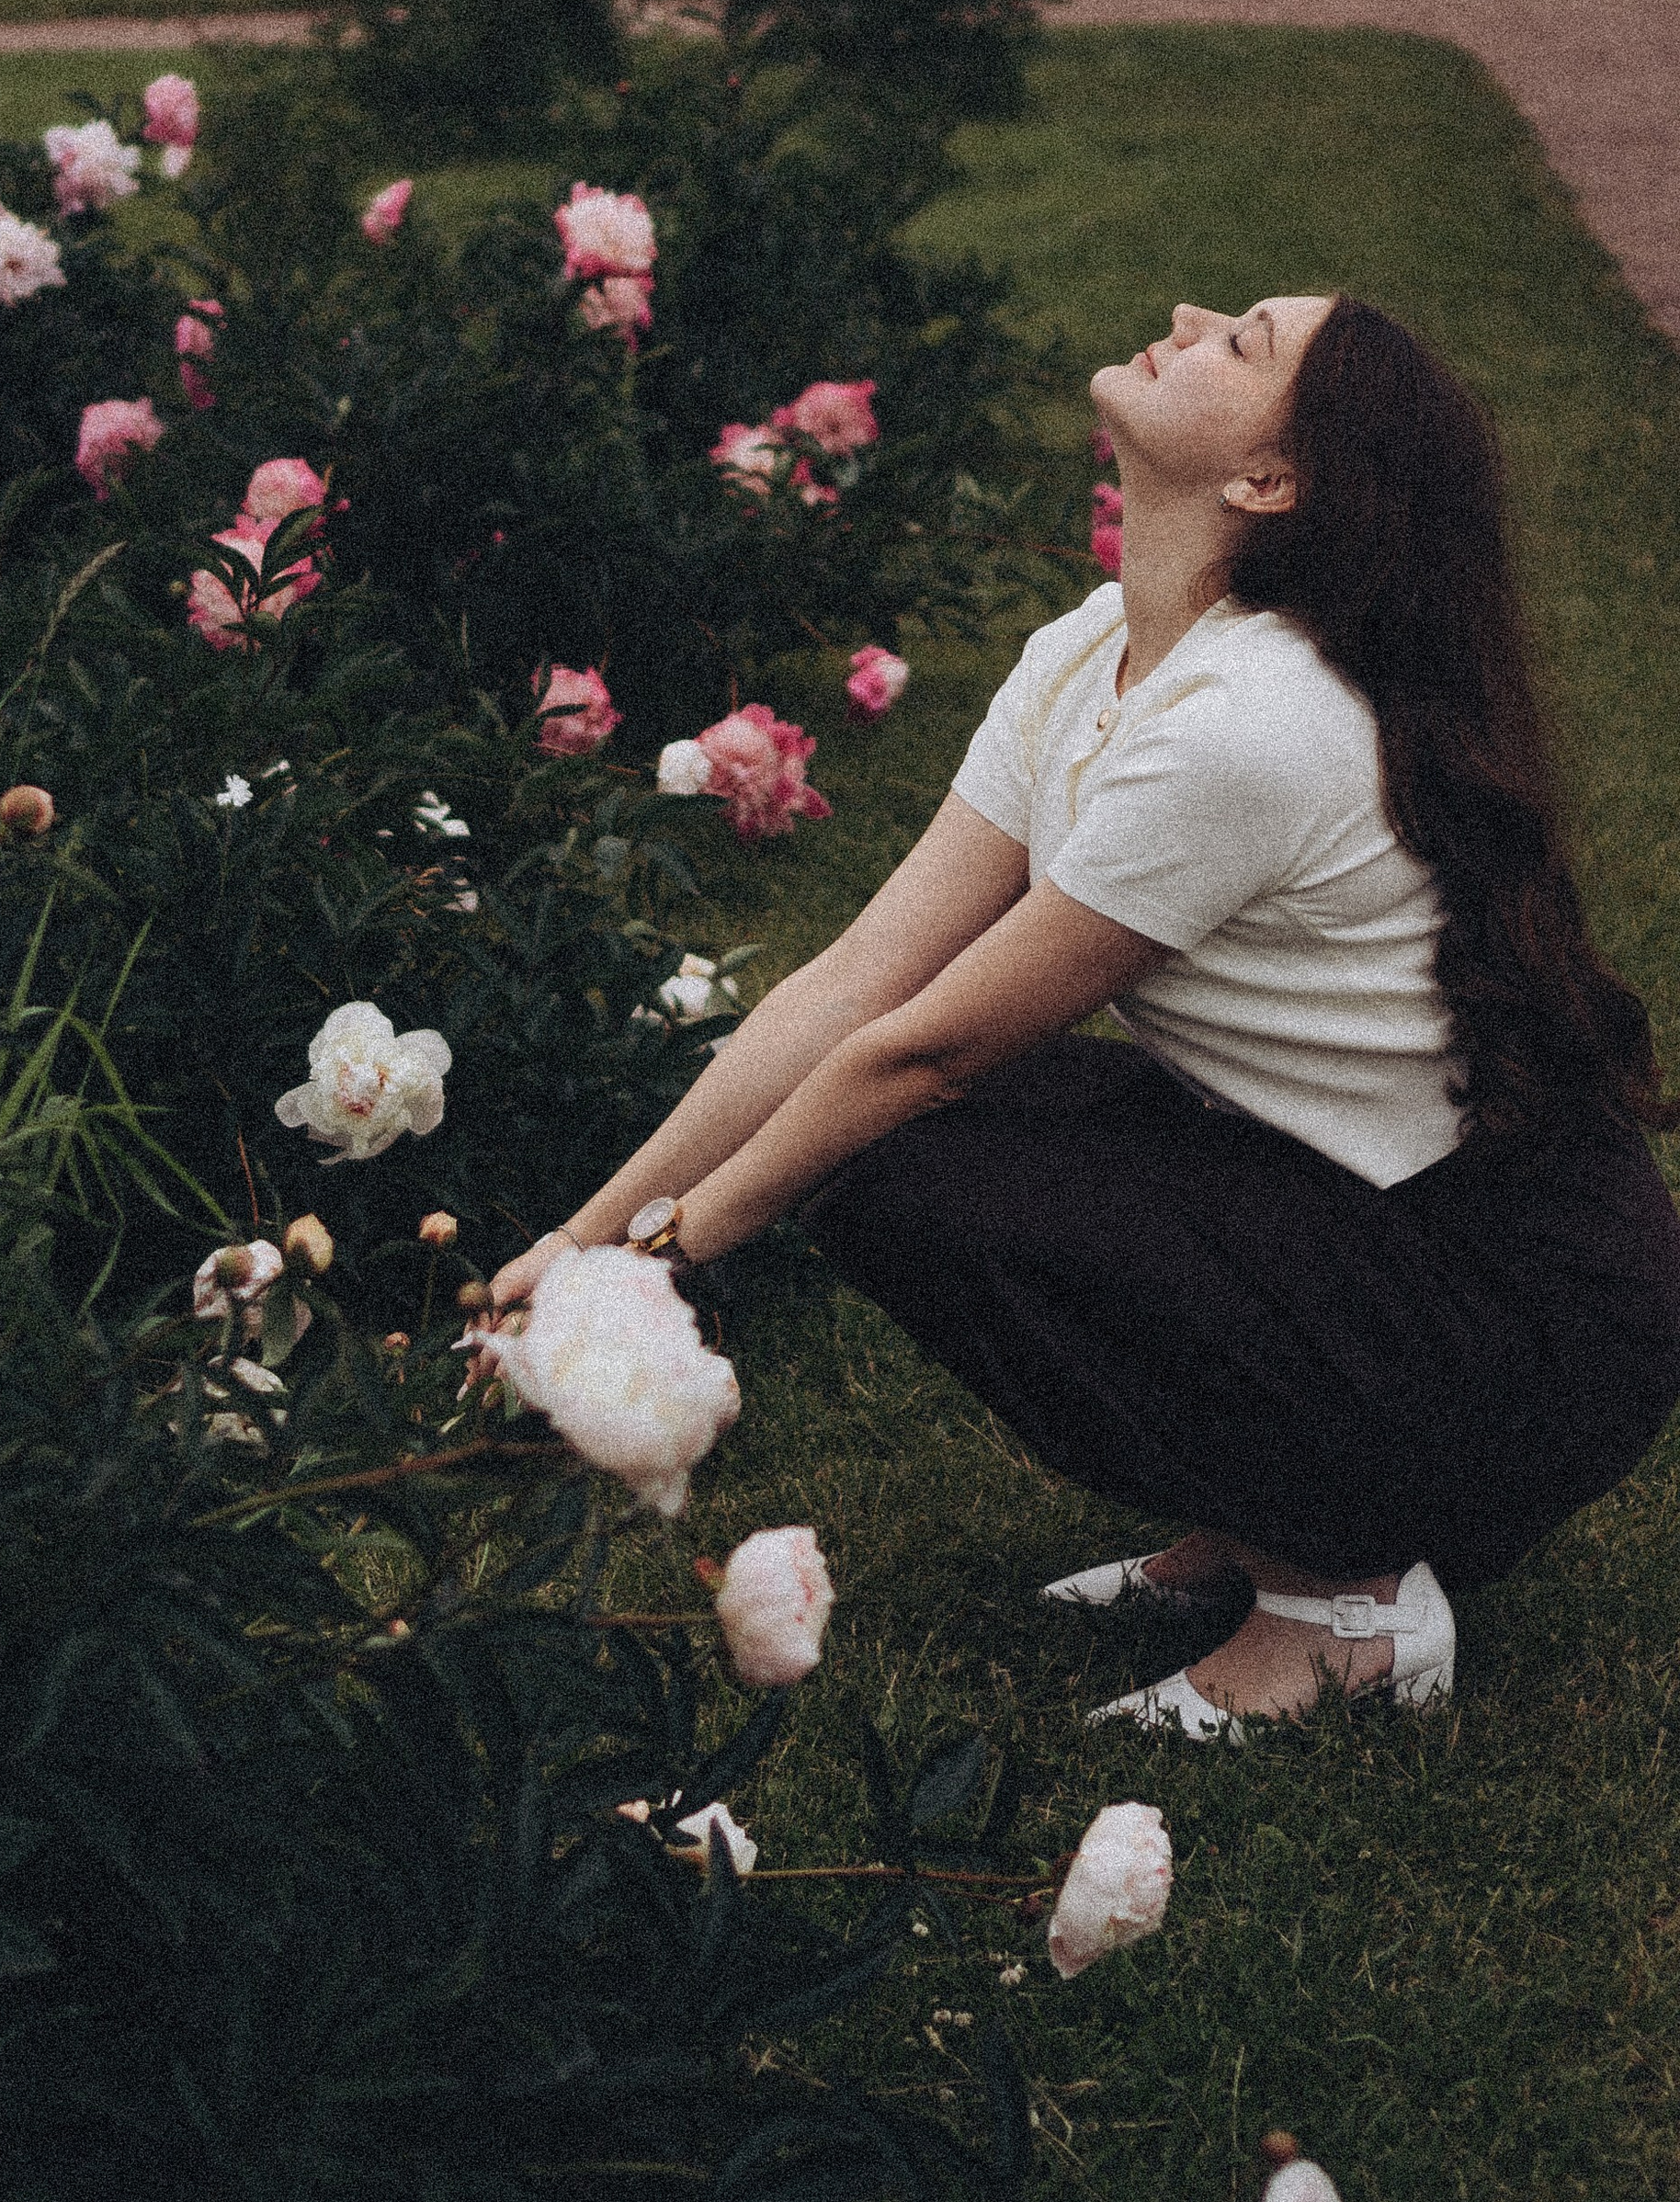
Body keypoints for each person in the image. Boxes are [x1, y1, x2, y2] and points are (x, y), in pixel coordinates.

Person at [486, 296, 1680, 1738]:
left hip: (1526, 1321)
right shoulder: (1095, 649)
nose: (1188, 316)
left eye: (1242, 343)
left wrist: (659, 1265)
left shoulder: (1254, 724)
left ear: (1270, 482)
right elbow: (861, 978)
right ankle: (1259, 1521)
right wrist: (579, 1241)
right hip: (1390, 1232)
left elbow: (923, 1050)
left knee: (904, 1159)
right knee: (910, 1136)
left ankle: (1346, 1601)